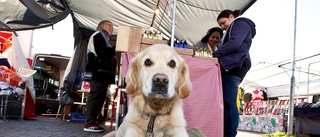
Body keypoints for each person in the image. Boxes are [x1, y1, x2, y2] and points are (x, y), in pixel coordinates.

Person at [212, 9, 256, 137]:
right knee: (227, 102)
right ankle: (228, 132)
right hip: (234, 66)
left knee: (229, 102)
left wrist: (215, 54)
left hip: (233, 67)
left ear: (231, 17)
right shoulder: (237, 26)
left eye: (223, 22)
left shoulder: (240, 23)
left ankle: (230, 133)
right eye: (220, 25)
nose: (222, 26)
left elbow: (234, 43)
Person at [83, 20, 116, 132]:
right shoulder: (98, 35)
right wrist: (113, 50)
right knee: (96, 97)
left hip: (102, 73)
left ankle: (93, 122)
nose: (112, 28)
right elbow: (102, 54)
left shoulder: (104, 38)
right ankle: (89, 123)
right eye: (110, 25)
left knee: (100, 98)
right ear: (102, 26)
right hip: (98, 72)